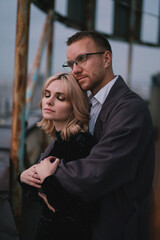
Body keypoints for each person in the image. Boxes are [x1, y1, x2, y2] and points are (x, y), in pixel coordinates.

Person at [29, 31, 155, 240]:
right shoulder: (87, 104)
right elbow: (57, 148)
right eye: (71, 64)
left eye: (82, 59)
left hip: (118, 227)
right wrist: (32, 174)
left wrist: (45, 174)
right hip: (89, 221)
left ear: (107, 58)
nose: (75, 70)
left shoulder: (130, 109)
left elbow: (97, 171)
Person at [18, 72, 96, 240]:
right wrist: (23, 178)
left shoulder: (81, 145)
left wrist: (46, 179)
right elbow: (43, 189)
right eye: (47, 95)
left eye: (60, 98)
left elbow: (76, 207)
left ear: (75, 105)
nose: (49, 101)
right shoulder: (59, 141)